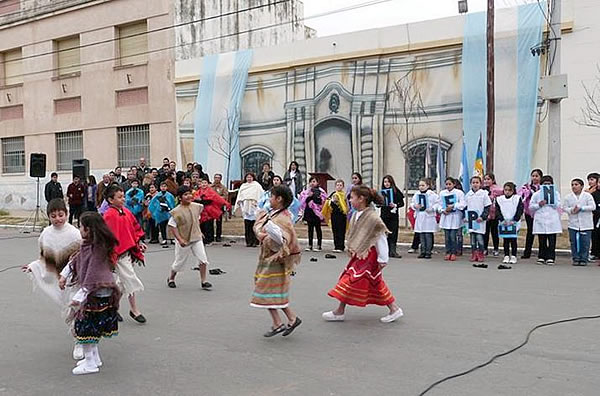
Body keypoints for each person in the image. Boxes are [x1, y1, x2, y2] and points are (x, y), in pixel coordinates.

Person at [322, 185, 403, 323]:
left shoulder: (372, 217)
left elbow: (379, 237)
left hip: (369, 255)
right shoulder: (355, 214)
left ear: (361, 199)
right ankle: (340, 311)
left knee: (351, 279)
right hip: (359, 254)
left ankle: (394, 309)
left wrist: (383, 258)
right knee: (371, 281)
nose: (350, 200)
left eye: (352, 197)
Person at [59, 212, 121, 375]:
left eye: (81, 226)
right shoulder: (88, 246)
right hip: (97, 294)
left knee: (85, 329)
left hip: (95, 294)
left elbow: (93, 276)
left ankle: (90, 363)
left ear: (88, 229)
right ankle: (93, 358)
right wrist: (64, 275)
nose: (79, 229)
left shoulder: (96, 249)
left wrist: (79, 297)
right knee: (92, 329)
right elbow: (75, 260)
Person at [22, 198, 83, 360]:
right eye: (53, 216)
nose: (58, 219)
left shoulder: (74, 233)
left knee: (76, 307)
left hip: (74, 278)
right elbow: (45, 259)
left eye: (61, 215)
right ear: (49, 216)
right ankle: (77, 334)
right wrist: (33, 267)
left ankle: (80, 341)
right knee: (68, 310)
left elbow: (82, 256)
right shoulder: (46, 234)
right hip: (57, 279)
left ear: (67, 213)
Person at [251, 185, 303, 337]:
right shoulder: (274, 214)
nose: (269, 199)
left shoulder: (283, 218)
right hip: (267, 260)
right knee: (270, 292)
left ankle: (284, 321)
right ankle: (283, 321)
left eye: (271, 196)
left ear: (279, 199)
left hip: (276, 262)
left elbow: (284, 241)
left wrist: (264, 236)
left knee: (268, 291)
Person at [103, 185, 147, 323]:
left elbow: (134, 228)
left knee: (121, 283)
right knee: (129, 278)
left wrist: (139, 242)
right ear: (110, 200)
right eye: (120, 197)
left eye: (123, 196)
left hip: (127, 252)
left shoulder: (127, 212)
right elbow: (108, 236)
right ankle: (134, 310)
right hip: (118, 255)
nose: (123, 199)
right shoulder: (109, 215)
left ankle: (112, 307)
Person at [167, 186, 212, 290]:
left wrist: (199, 231)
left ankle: (203, 281)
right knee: (179, 262)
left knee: (203, 259)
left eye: (189, 194)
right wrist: (179, 239)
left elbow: (196, 220)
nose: (188, 196)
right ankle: (171, 278)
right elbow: (172, 226)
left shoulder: (197, 206)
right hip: (184, 239)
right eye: (185, 195)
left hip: (196, 238)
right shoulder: (176, 211)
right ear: (180, 197)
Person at [529, 175, 562, 265]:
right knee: (542, 240)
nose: (547, 185)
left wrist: (551, 201)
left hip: (552, 219)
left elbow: (558, 205)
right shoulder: (536, 194)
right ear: (541, 184)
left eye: (549, 184)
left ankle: (551, 257)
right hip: (541, 219)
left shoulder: (556, 193)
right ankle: (542, 256)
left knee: (552, 240)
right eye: (545, 184)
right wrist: (539, 205)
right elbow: (531, 207)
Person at [564, 178, 595, 266]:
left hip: (586, 224)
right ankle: (576, 258)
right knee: (574, 242)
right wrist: (572, 210)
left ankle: (584, 259)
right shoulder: (568, 197)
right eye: (572, 185)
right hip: (573, 224)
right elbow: (565, 208)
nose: (574, 186)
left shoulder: (587, 196)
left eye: (576, 184)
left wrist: (582, 208)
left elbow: (593, 206)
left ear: (581, 186)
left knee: (585, 242)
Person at [194, 178, 231, 245]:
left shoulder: (211, 192)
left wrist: (226, 204)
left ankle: (209, 239)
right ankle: (203, 239)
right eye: (202, 183)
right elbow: (195, 199)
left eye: (205, 183)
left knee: (208, 226)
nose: (204, 184)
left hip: (209, 211)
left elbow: (217, 199)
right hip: (201, 211)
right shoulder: (198, 192)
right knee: (202, 225)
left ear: (208, 184)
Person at [495, 182, 524, 269]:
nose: (507, 192)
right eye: (505, 190)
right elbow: (497, 210)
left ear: (513, 191)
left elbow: (520, 210)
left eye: (509, 190)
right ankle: (506, 255)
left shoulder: (517, 198)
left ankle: (514, 255)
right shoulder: (499, 199)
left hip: (513, 222)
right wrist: (501, 219)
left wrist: (515, 220)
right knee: (506, 240)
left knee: (513, 239)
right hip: (504, 222)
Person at [465, 176, 492, 267]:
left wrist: (483, 217)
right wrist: (465, 217)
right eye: (473, 182)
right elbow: (465, 207)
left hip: (479, 220)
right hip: (471, 221)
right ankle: (474, 253)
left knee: (480, 239)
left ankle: (481, 253)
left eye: (477, 182)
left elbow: (487, 207)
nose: (475, 184)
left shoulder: (484, 194)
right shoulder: (468, 194)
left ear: (480, 184)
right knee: (472, 240)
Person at [411, 178, 439, 259]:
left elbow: (437, 204)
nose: (421, 187)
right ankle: (422, 251)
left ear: (428, 186)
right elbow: (412, 203)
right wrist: (414, 206)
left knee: (428, 235)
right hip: (420, 216)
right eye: (420, 185)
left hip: (429, 217)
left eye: (423, 185)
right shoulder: (416, 194)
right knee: (421, 235)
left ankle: (428, 251)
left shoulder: (433, 195)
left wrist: (432, 209)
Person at [439, 177, 466, 261]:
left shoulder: (459, 193)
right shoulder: (442, 193)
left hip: (455, 217)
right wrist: (442, 210)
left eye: (450, 184)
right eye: (446, 184)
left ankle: (454, 252)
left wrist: (454, 206)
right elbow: (439, 204)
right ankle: (448, 252)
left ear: (454, 184)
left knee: (453, 236)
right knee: (447, 237)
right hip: (446, 217)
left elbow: (463, 204)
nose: (448, 186)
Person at [518, 169, 543, 259]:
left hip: (540, 212)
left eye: (537, 176)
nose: (534, 178)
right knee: (530, 231)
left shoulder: (543, 187)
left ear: (540, 177)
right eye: (533, 176)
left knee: (541, 232)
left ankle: (542, 252)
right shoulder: (527, 187)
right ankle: (527, 252)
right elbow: (522, 197)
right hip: (529, 211)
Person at [235, 172, 264, 247]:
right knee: (247, 225)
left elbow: (261, 195)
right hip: (245, 205)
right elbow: (240, 196)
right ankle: (248, 241)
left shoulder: (257, 185)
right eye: (248, 177)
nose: (249, 179)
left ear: (253, 178)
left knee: (254, 225)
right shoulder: (243, 186)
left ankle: (255, 241)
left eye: (250, 177)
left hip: (254, 206)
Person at [380, 175, 405, 258]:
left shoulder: (396, 191)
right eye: (385, 182)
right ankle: (385, 250)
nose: (386, 184)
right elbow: (378, 203)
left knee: (393, 232)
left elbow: (401, 203)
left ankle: (393, 250)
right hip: (384, 214)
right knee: (384, 233)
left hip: (393, 215)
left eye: (388, 182)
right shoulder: (382, 192)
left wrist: (395, 205)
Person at [299, 177, 327, 251]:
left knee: (318, 228)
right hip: (309, 211)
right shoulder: (306, 192)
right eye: (311, 181)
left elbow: (322, 201)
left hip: (317, 212)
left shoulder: (321, 191)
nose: (312, 183)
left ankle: (319, 245)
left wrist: (315, 197)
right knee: (310, 229)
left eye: (314, 181)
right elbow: (303, 201)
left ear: (317, 182)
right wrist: (309, 196)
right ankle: (310, 244)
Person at [322, 179, 349, 253]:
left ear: (343, 186)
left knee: (341, 231)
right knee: (335, 230)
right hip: (334, 214)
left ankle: (341, 246)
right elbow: (328, 203)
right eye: (337, 185)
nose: (339, 187)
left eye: (340, 185)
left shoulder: (344, 195)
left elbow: (346, 205)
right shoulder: (333, 194)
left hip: (342, 215)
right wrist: (332, 201)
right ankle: (336, 246)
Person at [149, 182, 176, 246]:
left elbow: (172, 203)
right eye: (162, 186)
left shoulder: (170, 195)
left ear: (167, 187)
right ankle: (164, 239)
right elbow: (152, 204)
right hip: (160, 213)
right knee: (162, 226)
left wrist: (170, 209)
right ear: (160, 187)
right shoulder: (157, 196)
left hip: (168, 212)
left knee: (170, 226)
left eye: (164, 186)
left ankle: (172, 238)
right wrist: (156, 210)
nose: (163, 188)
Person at [483, 173, 503, 256]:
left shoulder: (497, 189)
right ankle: (484, 248)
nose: (487, 181)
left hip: (494, 214)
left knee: (494, 232)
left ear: (493, 180)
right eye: (485, 179)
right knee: (485, 232)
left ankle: (496, 248)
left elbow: (503, 194)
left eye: (488, 179)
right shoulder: (482, 189)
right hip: (485, 214)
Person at [211, 173, 230, 242]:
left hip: (219, 206)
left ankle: (218, 236)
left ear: (220, 179)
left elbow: (225, 196)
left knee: (219, 222)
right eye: (215, 177)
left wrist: (218, 198)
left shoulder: (223, 187)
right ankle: (211, 235)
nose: (217, 179)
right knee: (210, 222)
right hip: (211, 206)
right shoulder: (210, 187)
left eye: (218, 178)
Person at [586, 173, 600, 261]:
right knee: (594, 235)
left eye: (592, 179)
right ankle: (594, 252)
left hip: (597, 214)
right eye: (589, 179)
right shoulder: (588, 191)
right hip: (592, 216)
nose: (590, 181)